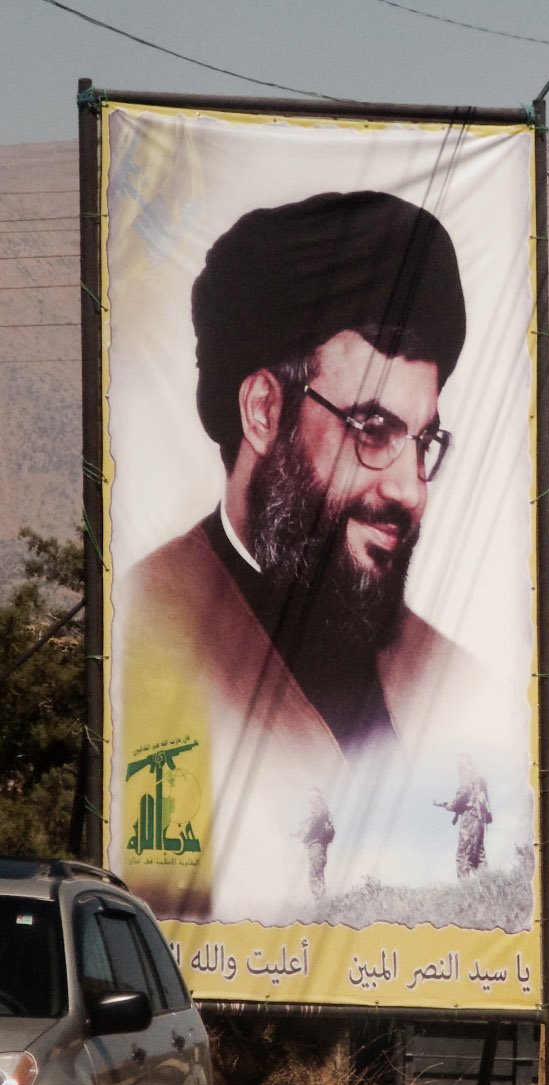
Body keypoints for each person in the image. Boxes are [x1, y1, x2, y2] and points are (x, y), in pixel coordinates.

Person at [117, 189, 483, 767]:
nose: (410, 489)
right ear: (264, 410)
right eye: (372, 429)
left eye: (422, 442)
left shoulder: (451, 680)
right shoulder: (143, 634)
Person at [438, 757, 492, 877]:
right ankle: (489, 884)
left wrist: (451, 806)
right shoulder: (477, 775)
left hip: (470, 819)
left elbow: (464, 792)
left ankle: (464, 886)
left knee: (463, 855)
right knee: (479, 856)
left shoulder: (466, 772)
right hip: (479, 819)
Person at [298, 787, 335, 901]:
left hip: (316, 846)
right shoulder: (322, 806)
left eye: (311, 795)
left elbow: (317, 820)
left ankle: (321, 905)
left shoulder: (318, 803)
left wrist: (307, 836)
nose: (309, 799)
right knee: (317, 875)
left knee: (315, 876)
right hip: (319, 846)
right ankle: (321, 904)